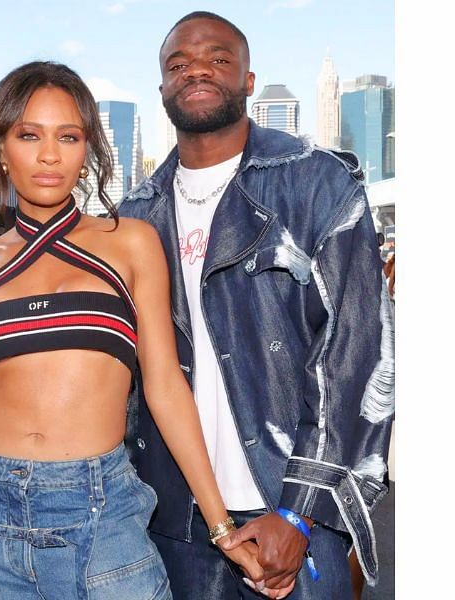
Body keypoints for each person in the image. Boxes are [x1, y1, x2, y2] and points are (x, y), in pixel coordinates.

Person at [0, 61, 262, 600]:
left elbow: (164, 386)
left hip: (103, 509)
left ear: (86, 148)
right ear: (1, 148)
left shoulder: (132, 243)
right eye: (29, 135)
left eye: (68, 137)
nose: (49, 155)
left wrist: (221, 526)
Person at [118, 12, 394, 599]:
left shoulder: (317, 181)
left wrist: (300, 511)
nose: (196, 70)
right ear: (162, 86)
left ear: (248, 79)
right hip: (175, 522)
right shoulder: (136, 211)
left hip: (290, 509)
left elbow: (357, 356)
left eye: (218, 58)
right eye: (178, 64)